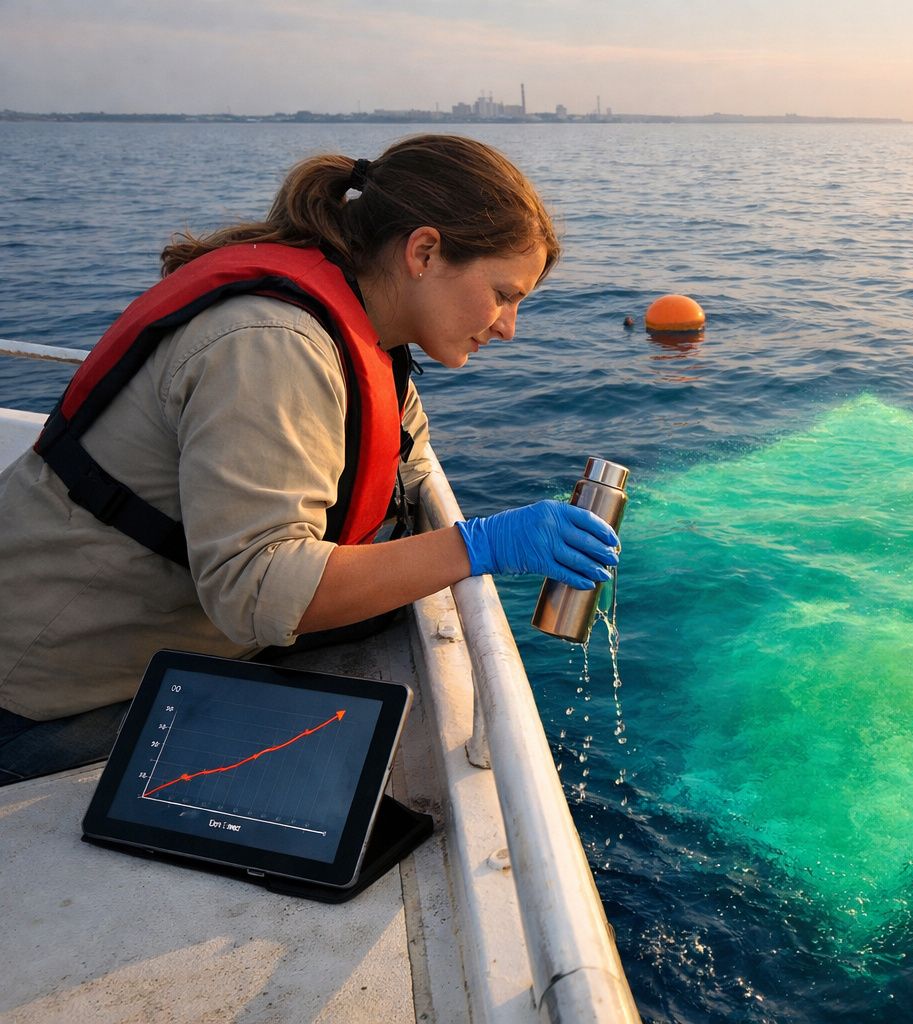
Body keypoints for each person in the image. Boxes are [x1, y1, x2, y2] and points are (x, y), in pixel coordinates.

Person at [0, 134, 619, 785]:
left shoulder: (374, 344)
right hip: (39, 700)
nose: (507, 326)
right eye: (503, 293)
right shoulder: (272, 346)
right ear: (425, 251)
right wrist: (482, 546)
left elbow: (404, 485)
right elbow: (256, 589)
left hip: (158, 654)